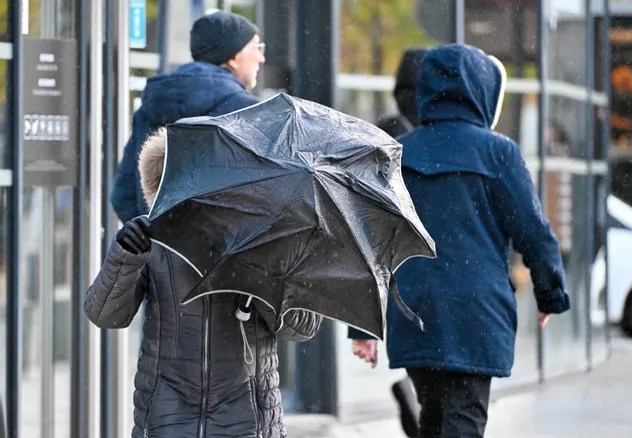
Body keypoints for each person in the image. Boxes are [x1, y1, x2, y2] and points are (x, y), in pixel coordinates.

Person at [349, 44, 571, 438]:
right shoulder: (497, 152)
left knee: (433, 418)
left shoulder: (399, 152)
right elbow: (533, 232)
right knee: (461, 420)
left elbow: (370, 240)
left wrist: (361, 325)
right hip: (475, 314)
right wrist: (550, 291)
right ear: (482, 90)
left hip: (415, 309)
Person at [85, 129, 322, 438]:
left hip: (249, 419)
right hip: (167, 417)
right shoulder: (154, 241)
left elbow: (303, 327)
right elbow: (104, 314)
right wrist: (125, 256)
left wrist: (264, 275)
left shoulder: (267, 238)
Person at [111, 10, 265, 224]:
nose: (261, 57)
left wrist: (159, 236)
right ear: (233, 56)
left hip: (163, 253)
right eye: (257, 47)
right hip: (224, 252)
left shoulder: (151, 105)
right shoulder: (248, 111)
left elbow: (123, 195)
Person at [375, 48, 428, 438]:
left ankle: (416, 397)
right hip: (412, 260)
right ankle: (417, 401)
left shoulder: (383, 131)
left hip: (396, 261)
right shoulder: (415, 139)